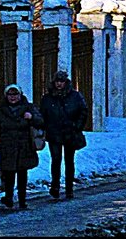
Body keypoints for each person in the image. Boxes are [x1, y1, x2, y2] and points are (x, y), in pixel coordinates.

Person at [0, 84, 44, 210]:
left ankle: (22, 200)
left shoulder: (28, 108)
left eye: (15, 94)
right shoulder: (1, 111)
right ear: (6, 96)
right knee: (8, 174)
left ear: (20, 95)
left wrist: (32, 117)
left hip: (24, 146)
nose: (13, 97)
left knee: (22, 174)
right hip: (7, 147)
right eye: (10, 94)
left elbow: (41, 122)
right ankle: (8, 198)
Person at [39, 69, 87, 200]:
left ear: (66, 82)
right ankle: (55, 186)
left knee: (69, 161)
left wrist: (77, 126)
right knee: (56, 160)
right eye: (57, 81)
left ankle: (69, 188)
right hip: (54, 133)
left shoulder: (75, 96)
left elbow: (83, 111)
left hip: (70, 133)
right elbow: (42, 114)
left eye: (62, 81)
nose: (59, 84)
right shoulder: (48, 98)